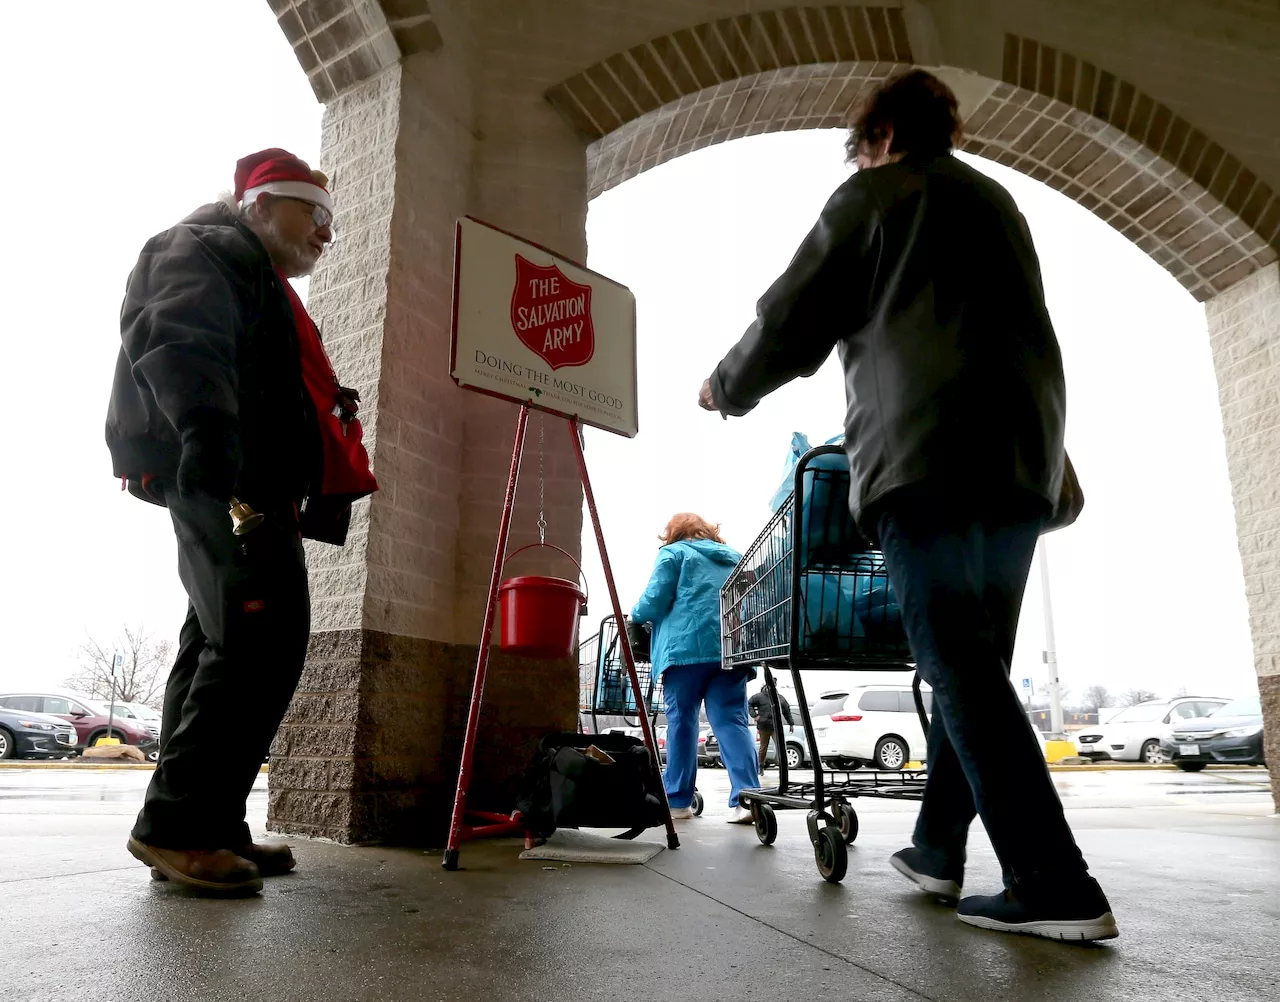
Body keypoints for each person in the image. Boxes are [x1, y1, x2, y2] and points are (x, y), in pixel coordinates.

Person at [698, 70, 1117, 942]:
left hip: (924, 456)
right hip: (1020, 464)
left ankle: (1054, 883)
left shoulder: (875, 195)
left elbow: (793, 315)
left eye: (861, 146)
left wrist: (725, 388)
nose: (860, 158)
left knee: (957, 667)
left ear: (882, 133)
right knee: (975, 669)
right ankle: (935, 847)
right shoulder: (999, 203)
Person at [106, 149, 378, 894]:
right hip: (226, 476)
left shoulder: (245, 268)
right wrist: (209, 440)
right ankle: (177, 828)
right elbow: (180, 342)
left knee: (217, 645)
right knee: (259, 641)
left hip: (245, 478)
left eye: (333, 222)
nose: (327, 233)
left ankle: (206, 823)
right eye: (314, 215)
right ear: (262, 206)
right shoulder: (202, 247)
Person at [631, 514, 759, 824]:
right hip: (730, 649)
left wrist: (635, 614)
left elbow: (653, 602)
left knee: (682, 722)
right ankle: (749, 799)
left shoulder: (673, 554)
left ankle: (678, 801)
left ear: (674, 533)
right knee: (731, 720)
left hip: (684, 651)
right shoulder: (734, 558)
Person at [748, 687, 794, 770]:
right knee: (763, 748)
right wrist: (754, 715)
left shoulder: (780, 698)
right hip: (763, 726)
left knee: (780, 746)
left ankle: (782, 765)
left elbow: (787, 711)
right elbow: (749, 704)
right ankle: (761, 766)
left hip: (776, 726)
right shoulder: (759, 697)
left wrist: (791, 724)